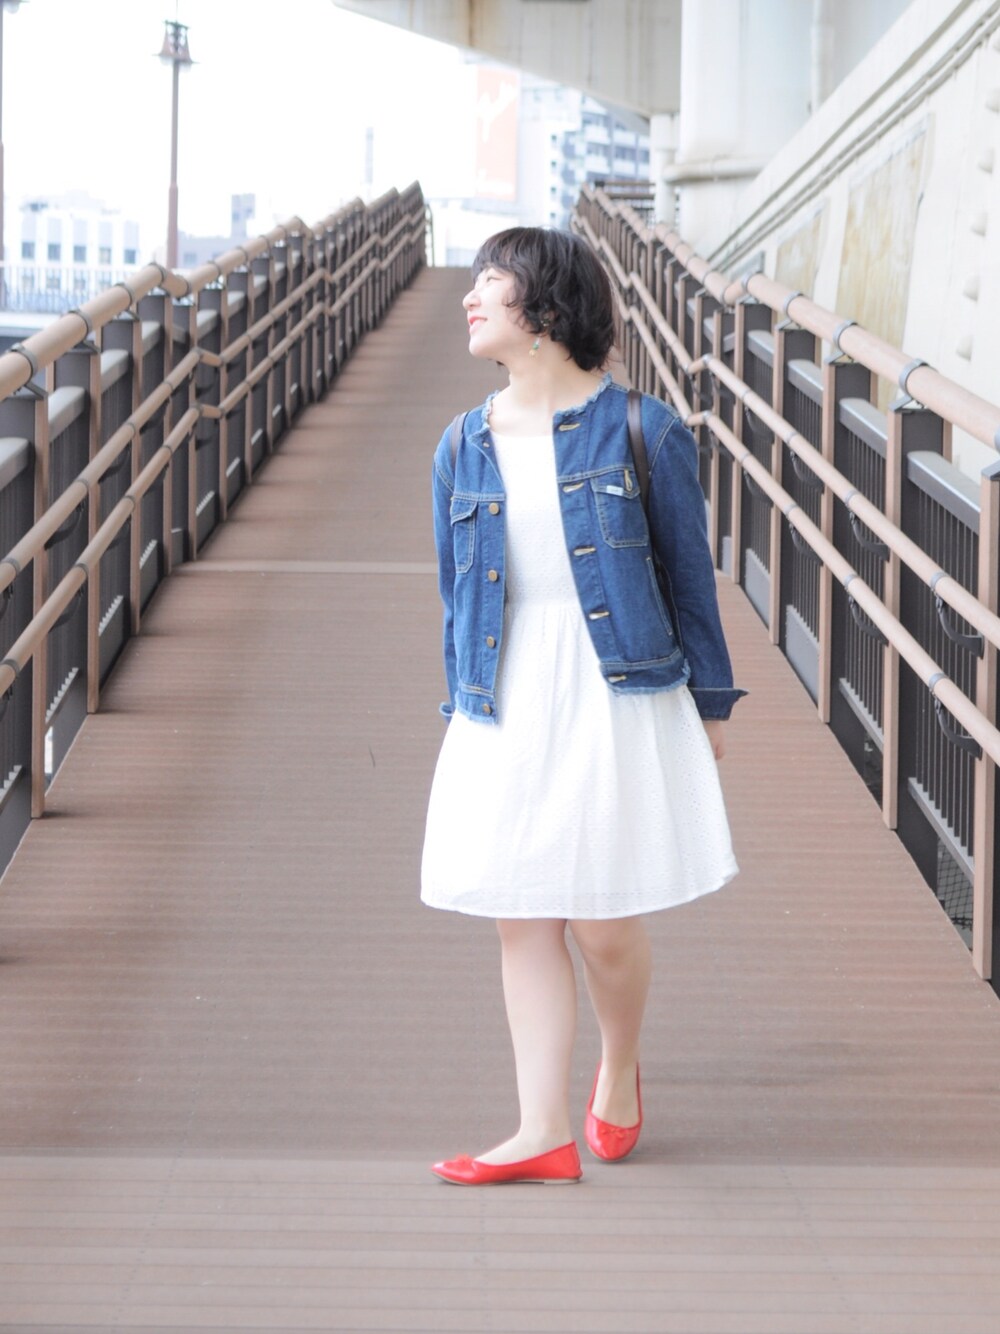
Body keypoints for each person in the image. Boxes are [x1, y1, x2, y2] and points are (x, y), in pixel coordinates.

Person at [421, 227, 745, 1186]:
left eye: (491, 280)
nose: (470, 297)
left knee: (602, 919)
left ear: (546, 308)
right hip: (505, 690)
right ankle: (540, 1130)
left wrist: (711, 706)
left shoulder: (644, 430)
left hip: (614, 686)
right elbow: (456, 595)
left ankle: (620, 1061)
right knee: (523, 915)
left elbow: (691, 580)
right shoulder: (461, 445)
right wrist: (462, 711)